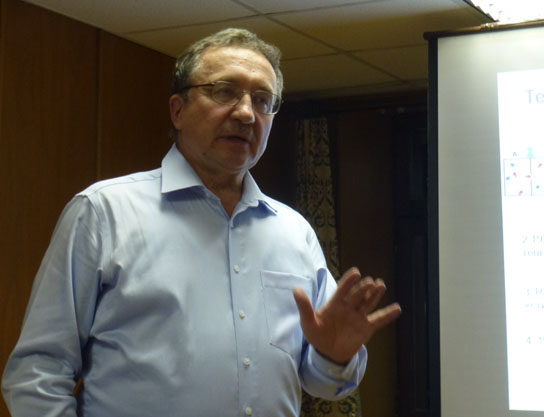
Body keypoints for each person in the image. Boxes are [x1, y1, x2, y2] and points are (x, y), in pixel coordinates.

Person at [2, 28, 401, 417]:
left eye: (263, 100)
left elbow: (324, 385)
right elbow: (38, 371)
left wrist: (333, 356)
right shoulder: (104, 212)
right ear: (178, 110)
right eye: (224, 91)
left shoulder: (294, 232)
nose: (246, 113)